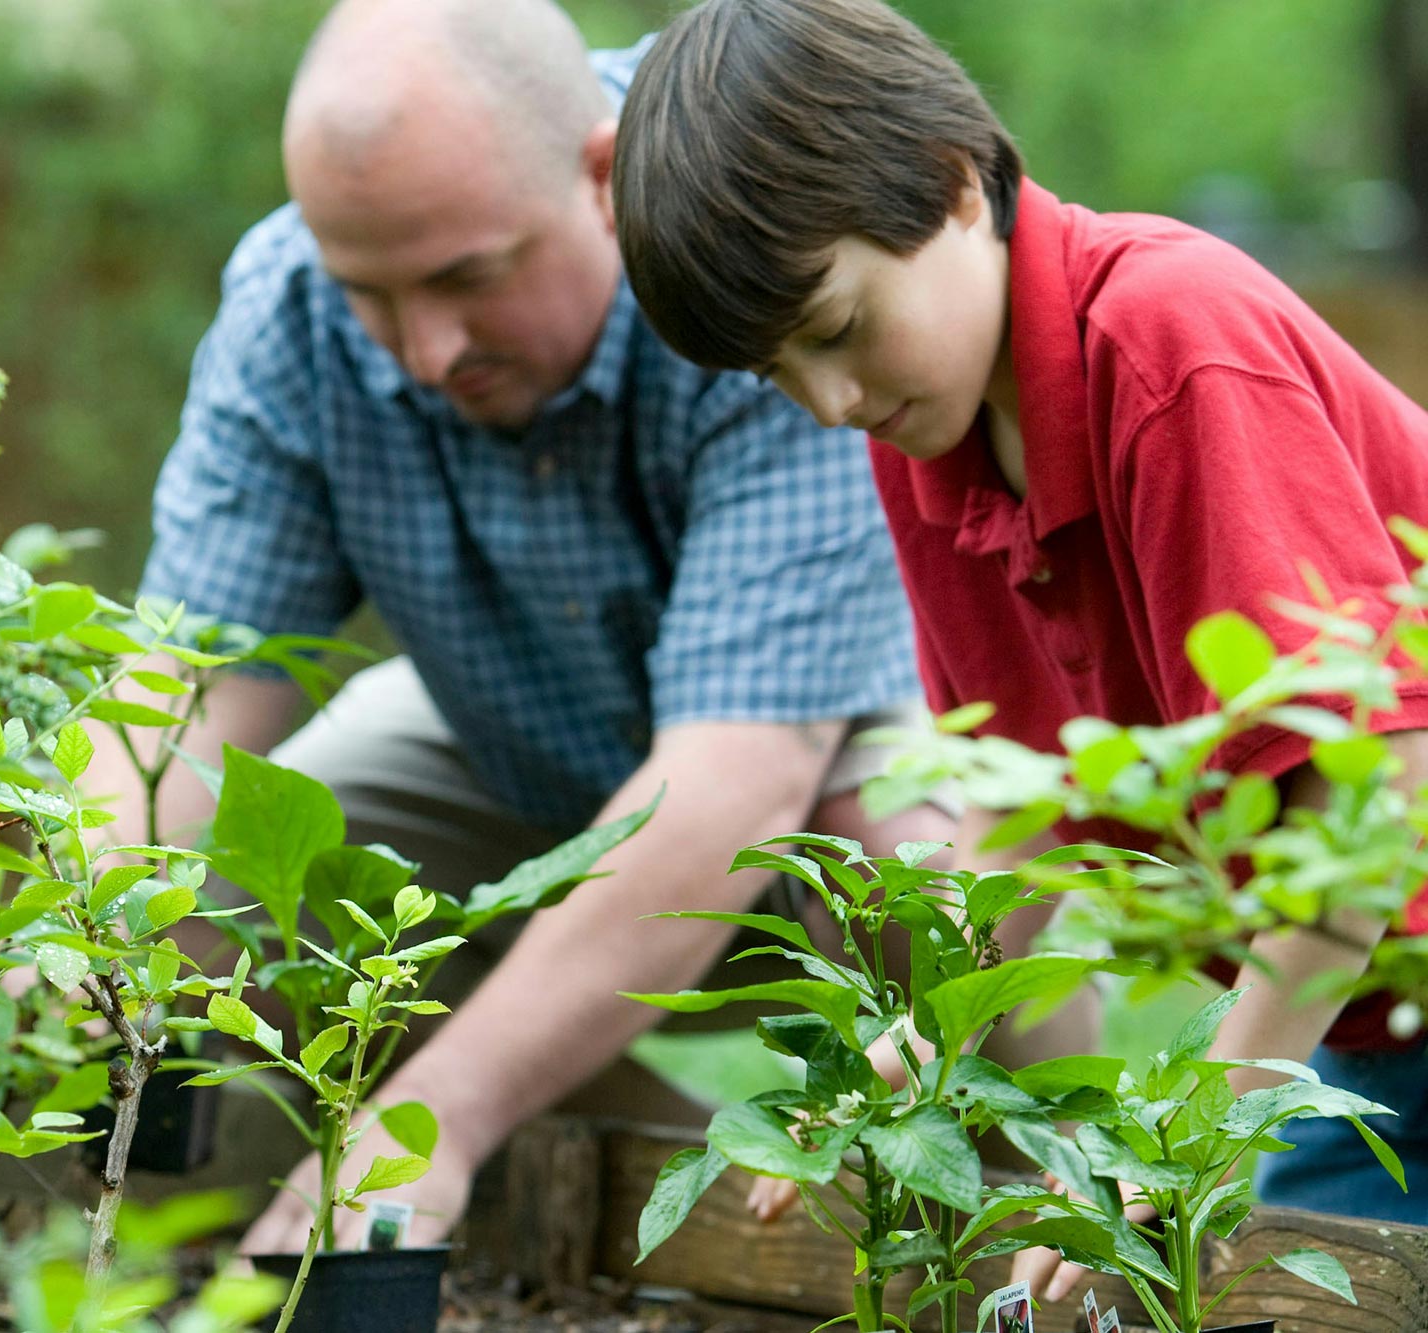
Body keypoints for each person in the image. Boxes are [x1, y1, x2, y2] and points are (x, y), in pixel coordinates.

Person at [85, 0, 977, 1253]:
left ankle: (1010, 1202)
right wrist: (64, 934)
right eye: (372, 297)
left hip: (814, 738)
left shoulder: (743, 237)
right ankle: (633, 1183)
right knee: (243, 883)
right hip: (498, 728)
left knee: (931, 877)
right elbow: (180, 691)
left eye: (465, 278)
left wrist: (424, 1126)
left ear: (601, 175)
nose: (423, 350)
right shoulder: (286, 307)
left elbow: (736, 779)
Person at [610, 0, 1428, 1294]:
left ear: (952, 190)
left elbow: (1378, 794)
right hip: (1371, 1029)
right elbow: (1021, 807)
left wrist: (1167, 1137)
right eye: (777, 376)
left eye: (832, 330)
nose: (829, 403)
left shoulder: (1170, 344)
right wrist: (914, 1053)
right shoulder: (924, 437)